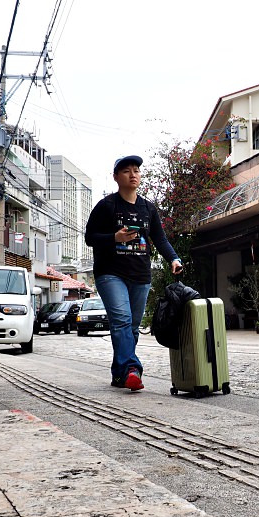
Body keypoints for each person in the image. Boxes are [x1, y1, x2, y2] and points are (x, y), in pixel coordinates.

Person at [85, 155, 183, 390]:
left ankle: (120, 373)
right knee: (122, 321)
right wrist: (114, 238)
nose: (133, 174)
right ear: (116, 177)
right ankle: (132, 368)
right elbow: (90, 238)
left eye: (136, 170)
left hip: (140, 274)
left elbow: (159, 237)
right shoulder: (106, 206)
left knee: (131, 326)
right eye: (127, 171)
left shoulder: (148, 207)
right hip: (110, 273)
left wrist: (174, 258)